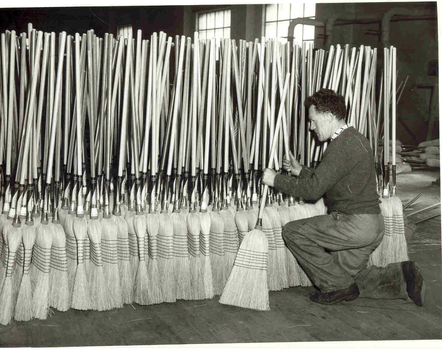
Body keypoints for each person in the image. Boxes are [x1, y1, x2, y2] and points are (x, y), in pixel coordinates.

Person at [262, 89, 425, 306]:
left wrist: (275, 180)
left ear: (328, 117)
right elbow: (330, 178)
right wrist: (300, 171)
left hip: (354, 224)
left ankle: (338, 287)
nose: (311, 127)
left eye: (313, 121)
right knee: (348, 277)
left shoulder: (341, 147)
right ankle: (402, 278)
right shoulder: (354, 139)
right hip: (372, 224)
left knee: (293, 231)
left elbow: (313, 190)